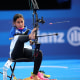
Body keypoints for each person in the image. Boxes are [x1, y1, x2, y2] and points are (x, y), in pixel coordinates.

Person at [9, 14, 43, 80]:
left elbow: (31, 41)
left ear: (24, 22)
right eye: (18, 22)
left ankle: (35, 75)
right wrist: (29, 37)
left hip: (25, 52)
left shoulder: (29, 31)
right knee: (20, 38)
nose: (20, 24)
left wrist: (32, 40)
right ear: (14, 23)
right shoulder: (13, 30)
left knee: (39, 53)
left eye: (22, 22)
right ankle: (28, 37)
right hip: (16, 54)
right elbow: (16, 39)